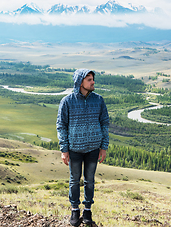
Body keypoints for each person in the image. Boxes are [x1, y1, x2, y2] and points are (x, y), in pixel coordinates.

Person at [56, 69, 109, 226]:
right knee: (74, 180)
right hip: (75, 149)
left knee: (90, 181)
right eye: (89, 79)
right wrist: (64, 149)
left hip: (93, 148)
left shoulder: (98, 100)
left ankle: (87, 210)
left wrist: (103, 146)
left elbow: (104, 123)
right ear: (80, 82)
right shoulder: (67, 101)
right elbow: (61, 126)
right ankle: (74, 210)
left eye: (93, 79)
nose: (93, 82)